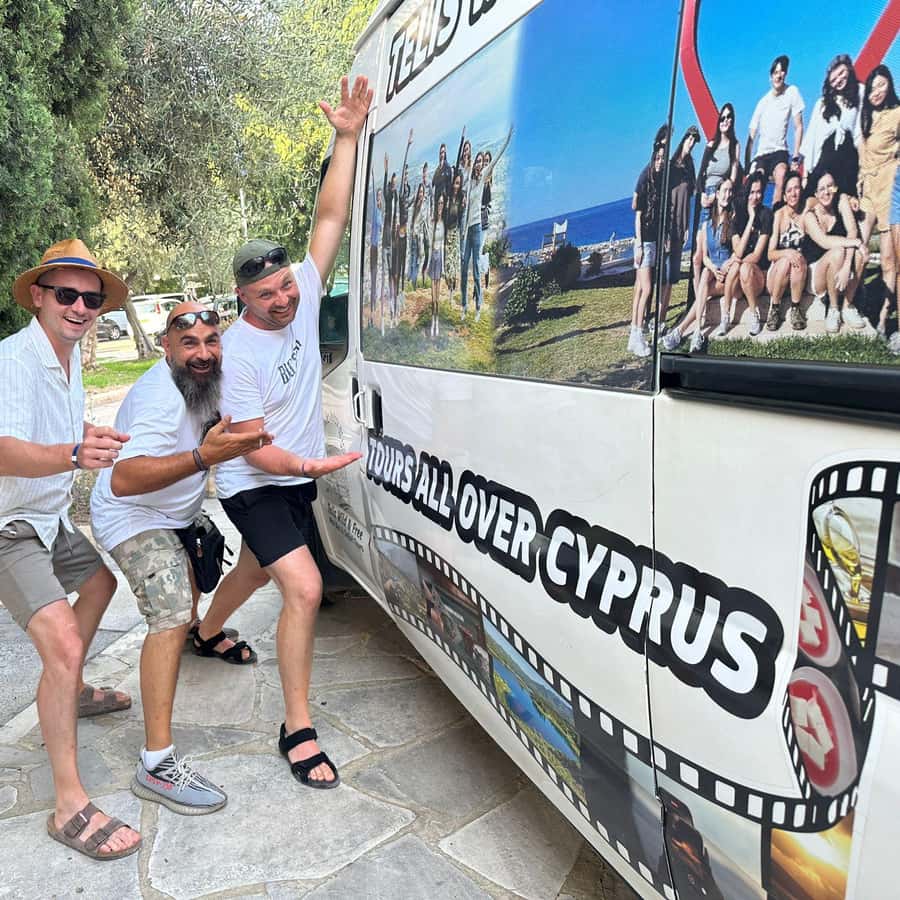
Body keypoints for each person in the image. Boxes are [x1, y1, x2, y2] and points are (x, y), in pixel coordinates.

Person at [212, 75, 370, 790]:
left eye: (286, 287)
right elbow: (253, 447)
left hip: (294, 474)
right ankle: (297, 728)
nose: (282, 300)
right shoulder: (239, 352)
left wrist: (346, 137)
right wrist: (310, 466)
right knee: (301, 588)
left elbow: (330, 217)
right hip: (255, 480)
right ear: (242, 298)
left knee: (254, 569)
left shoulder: (301, 293)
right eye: (265, 295)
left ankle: (204, 630)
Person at [90, 303, 275, 814]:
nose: (202, 353)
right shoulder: (159, 397)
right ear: (166, 346)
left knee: (197, 587)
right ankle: (156, 764)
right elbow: (124, 479)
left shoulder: (208, 380)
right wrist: (202, 458)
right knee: (171, 614)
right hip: (132, 514)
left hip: (176, 511)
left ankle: (202, 635)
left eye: (211, 341)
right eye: (188, 343)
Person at [0, 238, 141, 859]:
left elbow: (50, 424)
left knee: (100, 583)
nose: (81, 307)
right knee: (61, 642)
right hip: (9, 524)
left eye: (91, 299)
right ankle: (67, 806)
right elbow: (3, 449)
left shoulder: (69, 356)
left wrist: (85, 432)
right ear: (38, 296)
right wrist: (75, 453)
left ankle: (71, 689)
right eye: (67, 295)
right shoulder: (13, 360)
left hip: (48, 516)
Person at [664, 178, 737, 353]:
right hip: (714, 274)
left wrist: (726, 265)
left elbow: (738, 251)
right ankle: (696, 331)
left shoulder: (733, 219)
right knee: (705, 274)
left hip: (729, 277)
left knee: (702, 293)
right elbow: (704, 256)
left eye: (730, 191)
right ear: (717, 194)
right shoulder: (707, 224)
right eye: (724, 191)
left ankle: (681, 331)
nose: (727, 195)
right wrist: (713, 269)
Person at [859, 64, 900, 335]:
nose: (876, 92)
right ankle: (858, 305)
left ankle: (885, 316)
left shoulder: (897, 113)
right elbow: (861, 156)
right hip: (867, 189)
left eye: (882, 85)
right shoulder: (865, 117)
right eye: (872, 87)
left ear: (890, 87)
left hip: (888, 186)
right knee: (858, 249)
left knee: (887, 258)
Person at [802, 171, 867, 333]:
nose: (826, 192)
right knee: (838, 251)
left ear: (836, 188)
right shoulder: (810, 216)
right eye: (822, 189)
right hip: (815, 272)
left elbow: (852, 231)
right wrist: (856, 242)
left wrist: (847, 265)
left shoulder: (841, 201)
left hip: (839, 262)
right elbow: (824, 241)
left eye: (830, 187)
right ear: (815, 193)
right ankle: (833, 309)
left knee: (861, 255)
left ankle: (847, 306)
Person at [460, 129, 513, 321]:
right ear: (474, 164)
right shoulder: (468, 183)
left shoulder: (483, 178)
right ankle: (464, 307)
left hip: (477, 228)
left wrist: (507, 139)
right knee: (463, 269)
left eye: (481, 163)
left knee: (475, 268)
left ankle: (478, 307)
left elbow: (495, 159)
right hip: (467, 229)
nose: (479, 165)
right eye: (477, 162)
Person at [800, 54, 862, 199]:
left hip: (849, 158)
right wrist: (805, 174)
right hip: (825, 157)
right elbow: (812, 138)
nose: (839, 80)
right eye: (833, 80)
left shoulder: (861, 91)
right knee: (811, 199)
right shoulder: (822, 103)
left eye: (841, 73)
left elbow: (860, 133)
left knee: (844, 200)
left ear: (849, 69)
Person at [745, 55, 805, 206]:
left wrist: (796, 156)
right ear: (770, 76)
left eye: (782, 72)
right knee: (757, 181)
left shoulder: (792, 92)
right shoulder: (763, 102)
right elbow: (751, 134)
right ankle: (754, 217)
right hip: (762, 153)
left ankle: (776, 213)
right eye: (775, 72)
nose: (779, 75)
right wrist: (747, 164)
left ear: (785, 74)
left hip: (779, 151)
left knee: (781, 174)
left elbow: (798, 126)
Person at [693, 103, 741, 291]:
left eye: (729, 117)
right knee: (698, 257)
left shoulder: (735, 146)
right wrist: (702, 195)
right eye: (723, 117)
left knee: (717, 248)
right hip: (705, 199)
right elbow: (701, 175)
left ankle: (711, 289)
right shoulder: (711, 145)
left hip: (720, 198)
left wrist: (716, 196)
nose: (725, 121)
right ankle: (698, 300)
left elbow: (733, 177)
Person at [658, 126, 700, 333]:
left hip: (680, 229)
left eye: (694, 141)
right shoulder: (670, 167)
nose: (691, 144)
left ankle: (661, 320)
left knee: (672, 278)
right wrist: (665, 230)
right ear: (683, 140)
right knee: (663, 278)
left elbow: (690, 199)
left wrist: (687, 227)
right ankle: (653, 319)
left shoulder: (689, 168)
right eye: (689, 139)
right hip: (667, 228)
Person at [629, 140, 666, 357]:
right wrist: (639, 245)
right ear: (653, 158)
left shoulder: (658, 180)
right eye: (657, 158)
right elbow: (637, 213)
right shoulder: (646, 178)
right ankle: (637, 335)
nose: (660, 162)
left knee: (641, 289)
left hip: (652, 241)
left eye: (663, 158)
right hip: (644, 243)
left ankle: (634, 335)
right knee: (647, 289)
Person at [728, 169, 773, 336]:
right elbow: (739, 251)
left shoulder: (766, 215)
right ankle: (725, 317)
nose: (756, 197)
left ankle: (754, 314)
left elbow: (756, 255)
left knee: (744, 267)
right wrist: (750, 221)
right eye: (752, 192)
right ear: (746, 192)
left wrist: (735, 261)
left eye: (759, 192)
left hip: (758, 274)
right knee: (736, 269)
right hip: (740, 278)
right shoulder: (738, 215)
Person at [766, 170, 808, 330]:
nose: (793, 193)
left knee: (798, 258)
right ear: (784, 196)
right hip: (778, 274)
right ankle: (775, 308)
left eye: (796, 188)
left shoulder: (805, 212)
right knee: (785, 261)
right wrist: (787, 253)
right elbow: (770, 253)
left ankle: (796, 309)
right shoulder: (779, 215)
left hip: (798, 274)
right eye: (789, 190)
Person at [430, 194, 447, 337]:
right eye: (439, 203)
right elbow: (430, 240)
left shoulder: (444, 223)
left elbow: (443, 243)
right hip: (432, 255)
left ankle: (437, 321)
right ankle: (432, 321)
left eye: (442, 203)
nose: (440, 205)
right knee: (433, 293)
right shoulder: (433, 222)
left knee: (438, 292)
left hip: (440, 255)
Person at [368, 173, 383, 329]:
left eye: (380, 196)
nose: (379, 198)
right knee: (373, 280)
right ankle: (371, 314)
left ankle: (373, 311)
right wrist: (372, 176)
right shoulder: (375, 211)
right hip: (373, 248)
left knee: (376, 280)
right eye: (378, 196)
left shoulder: (380, 211)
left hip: (378, 248)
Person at [408, 182, 427, 288]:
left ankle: (413, 282)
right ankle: (413, 282)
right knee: (414, 259)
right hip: (414, 237)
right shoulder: (416, 206)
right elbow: (413, 222)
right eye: (419, 192)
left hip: (418, 238)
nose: (420, 194)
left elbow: (424, 222)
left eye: (422, 192)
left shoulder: (423, 206)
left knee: (416, 260)